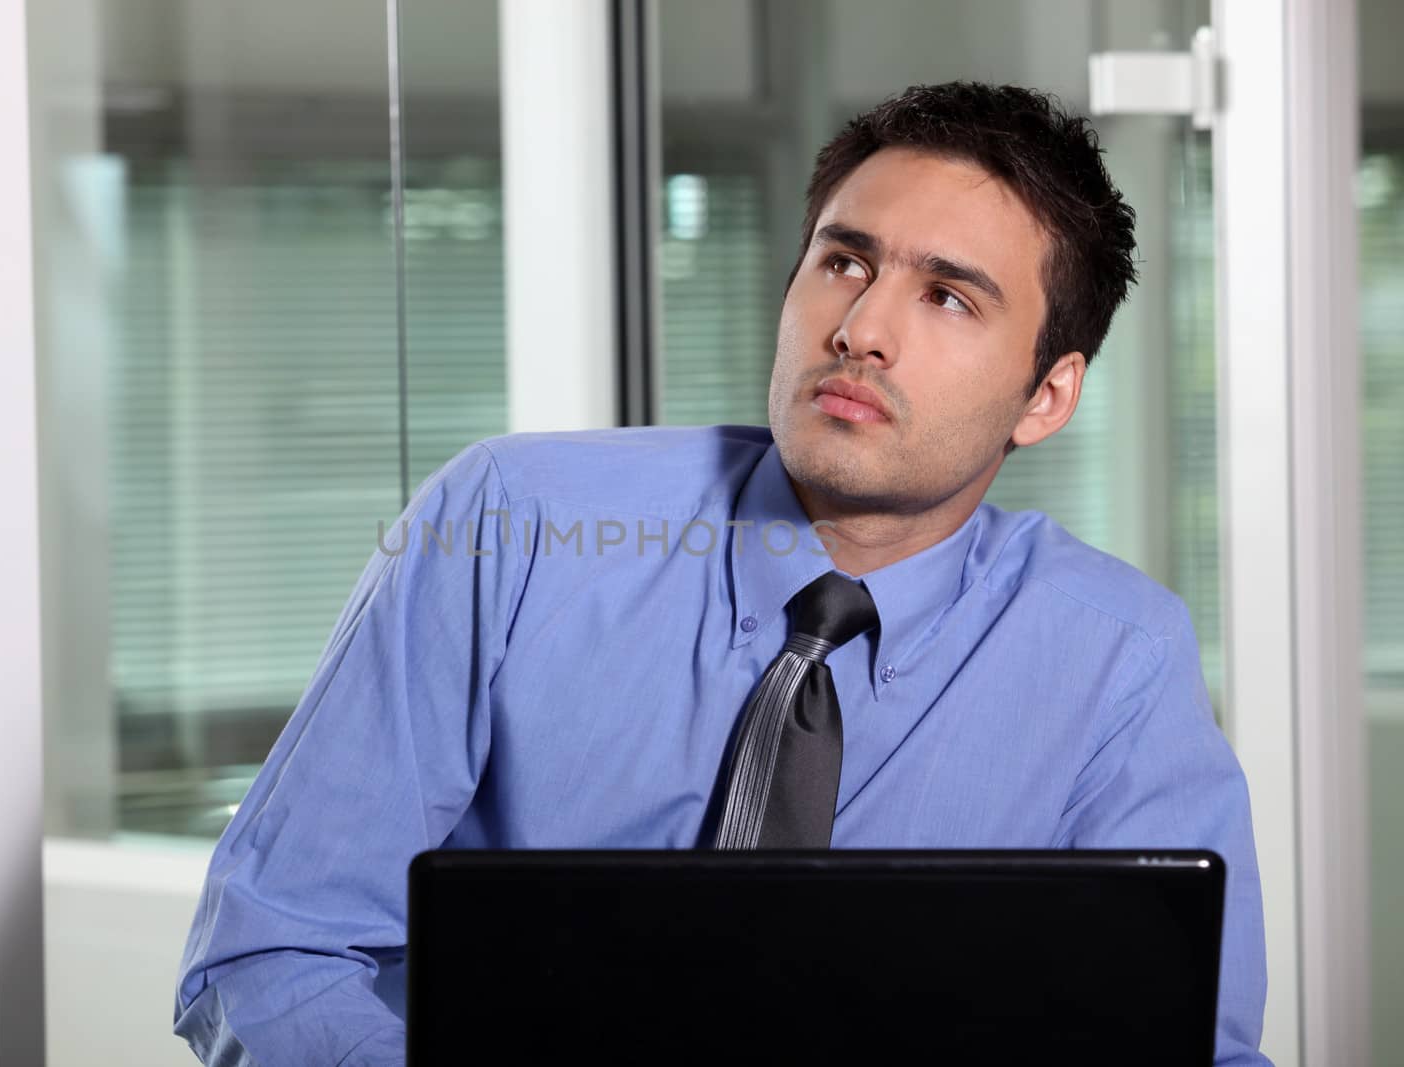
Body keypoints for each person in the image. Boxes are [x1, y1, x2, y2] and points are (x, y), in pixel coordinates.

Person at [174, 81, 1268, 1065]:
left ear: (1047, 395)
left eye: (948, 296)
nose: (861, 329)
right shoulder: (513, 523)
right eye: (844, 261)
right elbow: (274, 947)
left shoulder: (1115, 656)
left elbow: (1190, 1046)